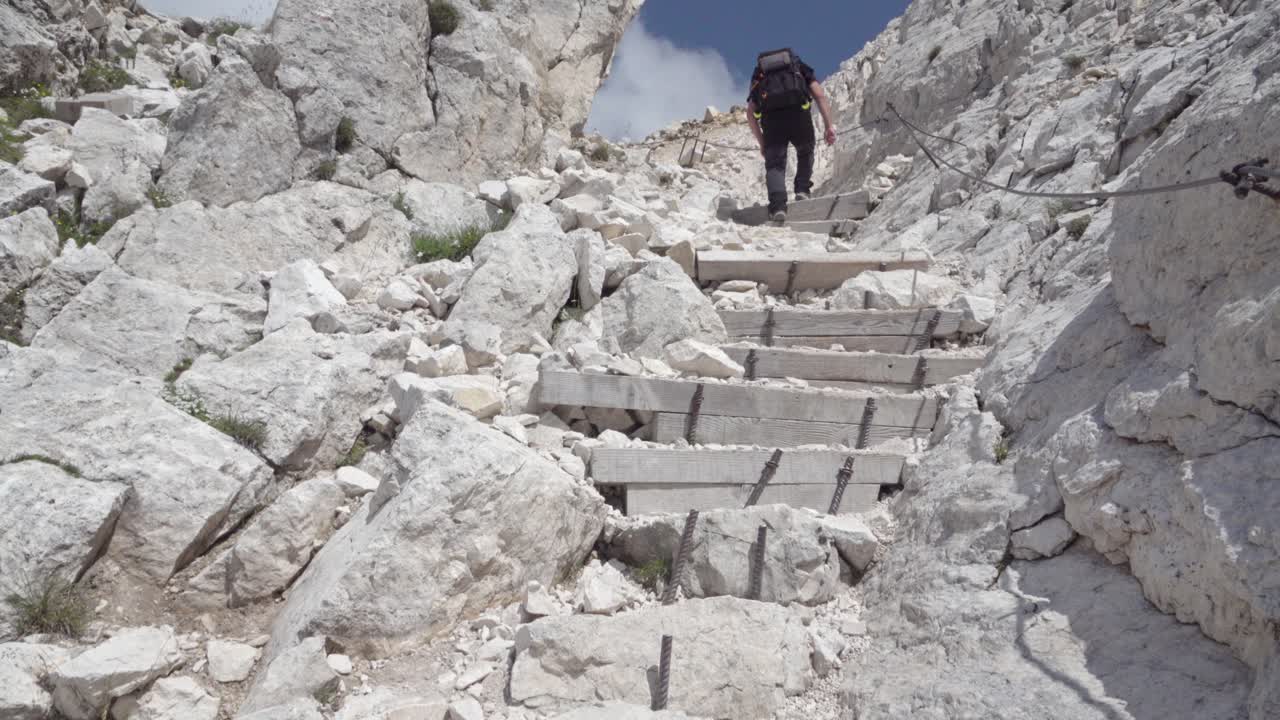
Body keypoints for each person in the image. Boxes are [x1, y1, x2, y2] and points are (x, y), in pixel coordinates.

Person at [746, 48, 837, 223]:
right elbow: (820, 95)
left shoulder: (759, 74)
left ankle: (778, 207)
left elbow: (750, 113)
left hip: (771, 122)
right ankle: (802, 189)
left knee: (775, 166)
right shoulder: (798, 66)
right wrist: (828, 126)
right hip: (799, 117)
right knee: (805, 151)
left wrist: (762, 142)